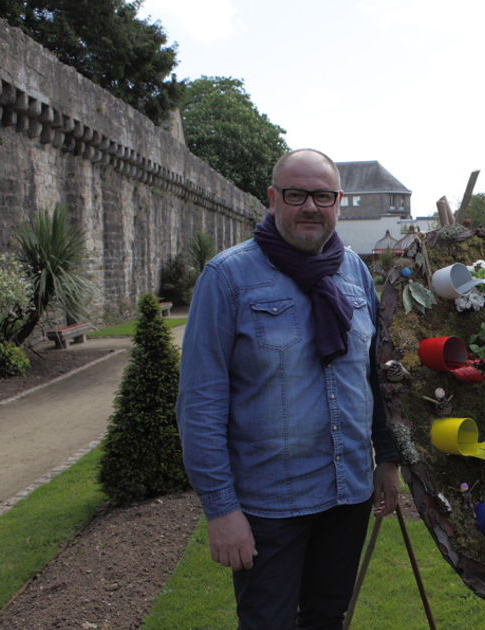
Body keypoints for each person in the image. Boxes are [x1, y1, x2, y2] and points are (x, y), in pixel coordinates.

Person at [176, 148, 400, 629]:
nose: (310, 207)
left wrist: (388, 456)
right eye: (296, 194)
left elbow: (374, 375)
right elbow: (200, 403)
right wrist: (221, 510)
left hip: (349, 491)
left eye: (323, 195)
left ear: (339, 202)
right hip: (269, 504)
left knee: (327, 618)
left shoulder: (355, 273)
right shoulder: (227, 278)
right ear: (273, 199)